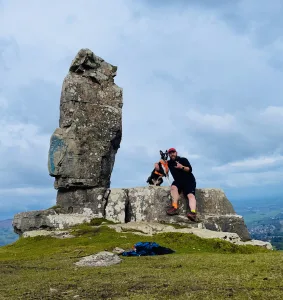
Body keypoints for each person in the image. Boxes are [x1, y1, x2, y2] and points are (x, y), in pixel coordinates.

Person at [154, 147, 197, 221]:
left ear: (176, 153)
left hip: (189, 180)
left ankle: (193, 213)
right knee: (173, 187)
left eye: (173, 152)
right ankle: (174, 207)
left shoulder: (183, 159)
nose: (172, 154)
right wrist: (156, 165)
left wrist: (181, 167)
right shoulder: (169, 163)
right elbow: (161, 165)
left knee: (190, 195)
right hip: (178, 181)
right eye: (170, 153)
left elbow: (190, 169)